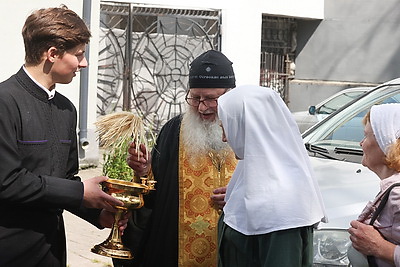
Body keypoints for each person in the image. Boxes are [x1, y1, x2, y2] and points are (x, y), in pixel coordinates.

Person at [0, 6, 128, 267]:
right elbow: (7, 181)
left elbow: (65, 179)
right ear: (52, 54)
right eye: (79, 54)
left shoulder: (66, 109)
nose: (84, 63)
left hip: (53, 250)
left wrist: (98, 214)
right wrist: (80, 192)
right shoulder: (5, 101)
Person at [114, 50, 238, 267]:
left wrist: (242, 194)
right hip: (177, 252)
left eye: (211, 99)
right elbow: (157, 197)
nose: (201, 106)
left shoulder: (248, 130)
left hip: (237, 246)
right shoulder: (174, 131)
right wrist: (144, 171)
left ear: (230, 95)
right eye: (195, 98)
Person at [217, 85, 327, 267]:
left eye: (226, 128)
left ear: (248, 127)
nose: (224, 138)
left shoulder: (283, 206)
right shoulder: (247, 177)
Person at [348, 104, 400, 267]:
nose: (361, 143)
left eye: (366, 136)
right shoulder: (392, 188)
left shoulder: (398, 194)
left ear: (387, 142)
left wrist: (381, 248)